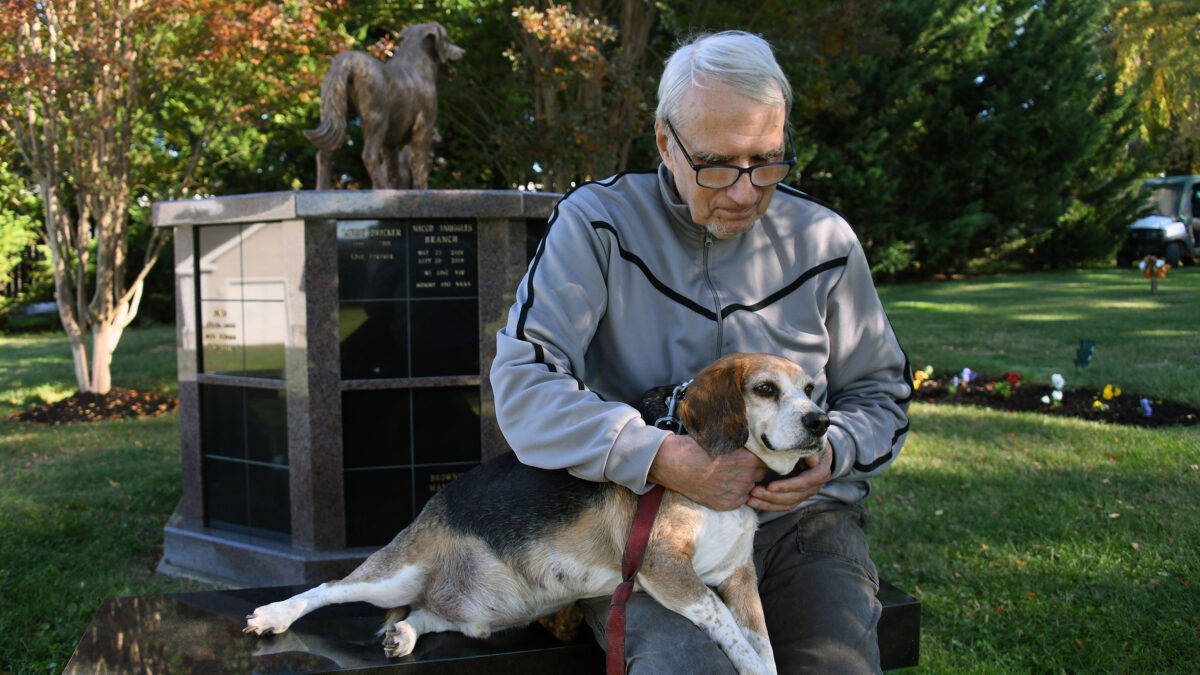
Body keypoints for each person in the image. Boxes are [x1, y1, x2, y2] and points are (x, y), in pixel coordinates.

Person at [490, 30, 911, 674]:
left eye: (767, 161)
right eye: (717, 164)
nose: (745, 191)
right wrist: (658, 455)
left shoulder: (824, 239)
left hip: (801, 525)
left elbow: (880, 393)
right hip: (645, 527)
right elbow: (525, 384)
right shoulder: (597, 224)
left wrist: (831, 453)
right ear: (666, 141)